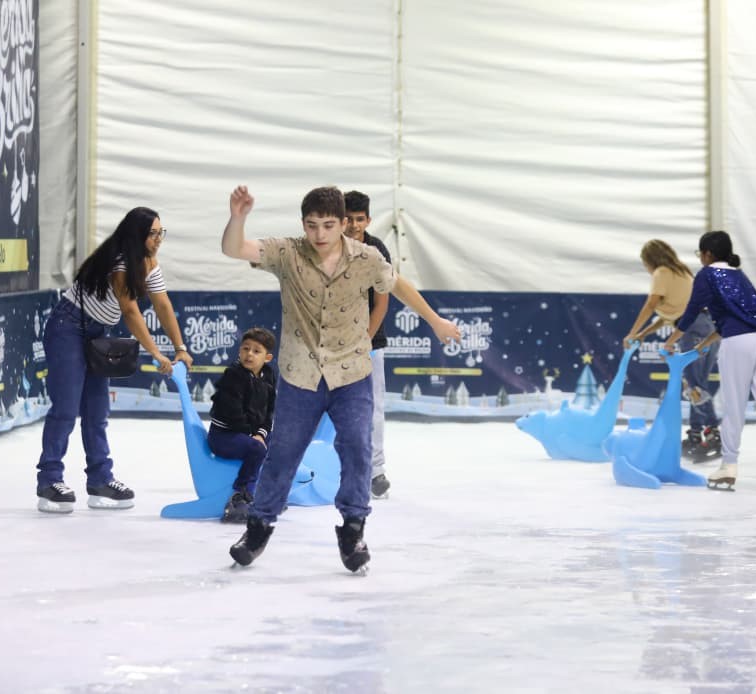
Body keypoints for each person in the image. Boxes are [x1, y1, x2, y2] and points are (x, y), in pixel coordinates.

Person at [221, 185, 461, 572]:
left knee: (357, 449)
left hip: (351, 372)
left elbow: (396, 284)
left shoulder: (366, 257)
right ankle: (258, 526)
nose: (319, 234)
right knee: (282, 453)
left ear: (344, 224)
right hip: (302, 374)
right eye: (312, 225)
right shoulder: (288, 253)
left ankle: (353, 529)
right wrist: (238, 217)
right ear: (303, 224)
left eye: (328, 225)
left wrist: (435, 322)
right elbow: (235, 249)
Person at [36, 207, 193, 513]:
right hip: (67, 328)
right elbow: (131, 312)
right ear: (137, 234)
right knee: (66, 409)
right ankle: (48, 482)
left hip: (96, 333)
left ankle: (100, 481)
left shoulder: (149, 264)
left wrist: (180, 346)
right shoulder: (120, 261)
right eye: (153, 233)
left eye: (161, 232)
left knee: (97, 410)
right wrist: (158, 353)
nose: (159, 238)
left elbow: (162, 305)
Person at [663, 230, 756, 494]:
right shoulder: (740, 275)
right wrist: (704, 345)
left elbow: (691, 312)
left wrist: (671, 340)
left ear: (706, 254)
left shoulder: (707, 274)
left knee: (734, 404)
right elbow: (735, 316)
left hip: (739, 343)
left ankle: (728, 466)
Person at [623, 240, 721, 461]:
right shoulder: (681, 271)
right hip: (708, 327)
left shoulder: (661, 272)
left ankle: (713, 434)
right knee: (698, 385)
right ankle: (697, 434)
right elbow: (669, 316)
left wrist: (632, 333)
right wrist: (642, 334)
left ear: (650, 259)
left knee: (694, 387)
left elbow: (651, 306)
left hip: (693, 329)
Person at [343, 190, 393, 498]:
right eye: (348, 219)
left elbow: (382, 304)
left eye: (359, 219)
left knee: (374, 407)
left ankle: (376, 472)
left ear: (368, 220)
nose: (353, 225)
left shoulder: (377, 250)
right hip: (331, 344)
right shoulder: (328, 246)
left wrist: (364, 341)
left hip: (370, 343)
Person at [208, 327, 277, 523]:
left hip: (249, 433)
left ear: (267, 357)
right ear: (239, 351)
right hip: (224, 436)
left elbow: (269, 411)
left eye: (256, 351)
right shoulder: (233, 376)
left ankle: (266, 491)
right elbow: (232, 414)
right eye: (245, 349)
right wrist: (252, 436)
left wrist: (261, 434)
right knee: (256, 448)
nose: (249, 354)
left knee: (276, 443)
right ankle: (241, 495)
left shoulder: (268, 376)